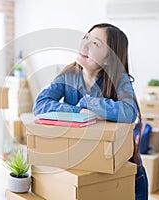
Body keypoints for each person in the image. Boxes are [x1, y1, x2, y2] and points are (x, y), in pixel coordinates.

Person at [33, 23, 148, 199]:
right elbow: (40, 105)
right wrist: (78, 112)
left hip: (126, 172)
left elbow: (129, 111)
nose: (84, 45)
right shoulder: (68, 75)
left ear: (109, 58)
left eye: (95, 44)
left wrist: (88, 102)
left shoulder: (120, 80)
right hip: (86, 166)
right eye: (86, 38)